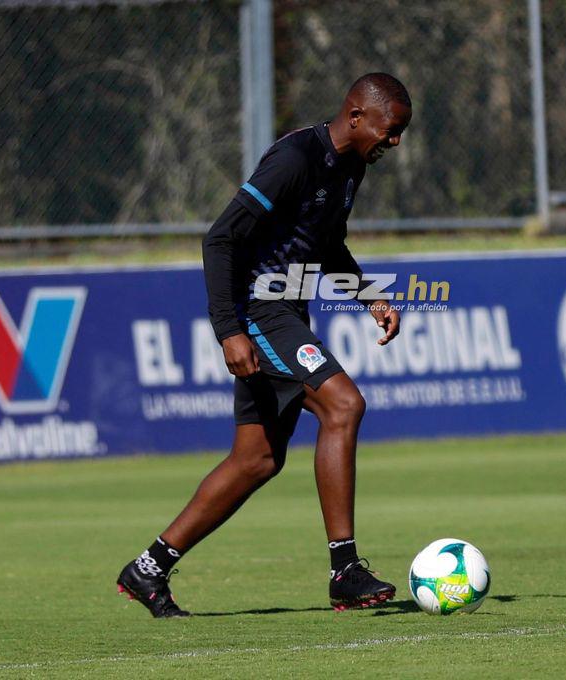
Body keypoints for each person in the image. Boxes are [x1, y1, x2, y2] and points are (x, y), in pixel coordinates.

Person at [116, 73, 412, 618]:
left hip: (285, 310)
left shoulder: (349, 167)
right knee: (344, 404)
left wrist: (368, 296)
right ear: (355, 116)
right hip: (260, 312)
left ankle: (148, 569)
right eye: (390, 131)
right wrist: (229, 329)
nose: (394, 143)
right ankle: (344, 568)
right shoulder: (294, 158)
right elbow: (220, 238)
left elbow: (326, 244)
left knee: (256, 460)